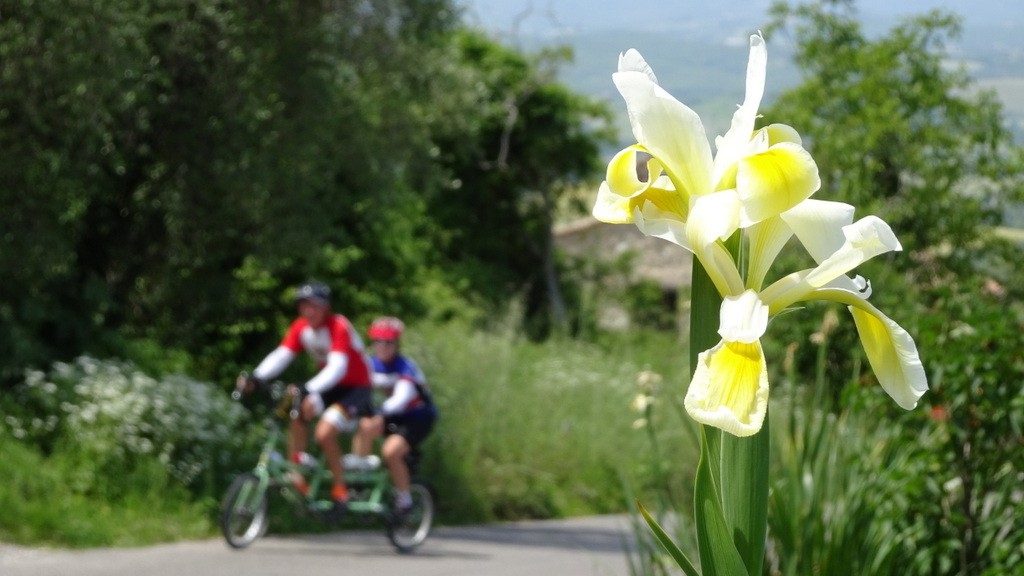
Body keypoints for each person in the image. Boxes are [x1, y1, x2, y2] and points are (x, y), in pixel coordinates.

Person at [240, 281, 373, 514]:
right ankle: (298, 471)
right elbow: (282, 355)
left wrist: (308, 388)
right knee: (295, 405)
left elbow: (338, 367)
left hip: (356, 388)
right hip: (330, 384)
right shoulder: (301, 327)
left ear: (326, 307)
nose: (309, 311)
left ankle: (340, 490)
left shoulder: (338, 326)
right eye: (304, 306)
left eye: (315, 306)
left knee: (324, 433)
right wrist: (256, 376)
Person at [351, 316, 438, 514]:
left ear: (397, 344)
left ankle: (404, 500)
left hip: (418, 416)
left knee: (391, 452)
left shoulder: (405, 367)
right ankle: (360, 482)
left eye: (388, 342)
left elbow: (401, 398)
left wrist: (379, 411)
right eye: (377, 341)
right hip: (395, 413)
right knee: (365, 426)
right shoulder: (369, 364)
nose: (382, 347)